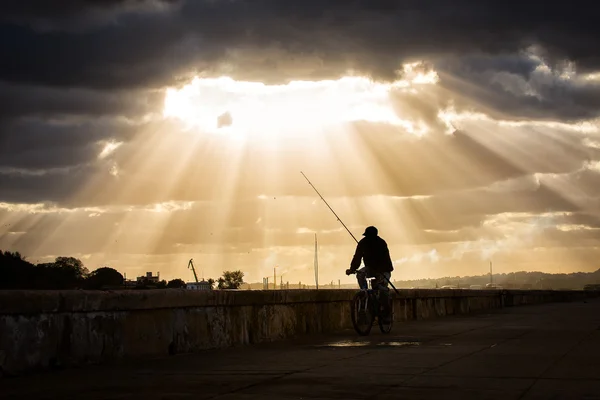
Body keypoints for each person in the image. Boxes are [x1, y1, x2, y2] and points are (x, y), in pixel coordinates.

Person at [346, 226, 394, 322]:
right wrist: (352, 269)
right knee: (360, 273)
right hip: (370, 268)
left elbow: (385, 259)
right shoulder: (362, 243)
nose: (367, 238)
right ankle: (364, 292)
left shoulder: (381, 243)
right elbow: (357, 257)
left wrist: (381, 272)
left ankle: (386, 312)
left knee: (381, 288)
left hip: (384, 269)